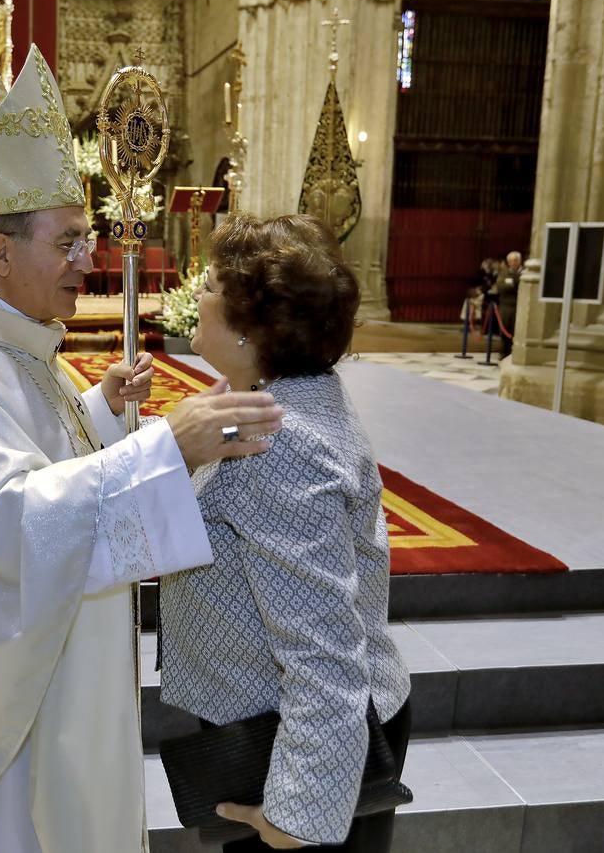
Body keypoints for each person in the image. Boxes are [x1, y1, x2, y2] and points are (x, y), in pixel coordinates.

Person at [0, 47, 284, 853]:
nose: (89, 260)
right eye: (70, 241)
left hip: (46, 682)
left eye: (88, 238)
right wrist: (164, 452)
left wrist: (100, 415)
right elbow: (7, 523)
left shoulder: (10, 340)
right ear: (2, 253)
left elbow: (30, 462)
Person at [159, 213, 412, 852]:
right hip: (274, 720)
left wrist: (298, 813)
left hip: (297, 741)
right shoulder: (265, 394)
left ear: (253, 327)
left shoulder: (278, 443)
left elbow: (323, 647)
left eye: (213, 285)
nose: (199, 294)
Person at [494, 249, 524, 357]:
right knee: (505, 329)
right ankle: (504, 351)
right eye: (510, 261)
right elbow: (501, 287)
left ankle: (515, 352)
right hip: (506, 306)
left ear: (520, 261)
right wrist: (513, 284)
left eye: (515, 260)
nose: (513, 263)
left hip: (519, 306)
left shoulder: (525, 272)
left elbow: (522, 287)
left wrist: (512, 283)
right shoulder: (504, 273)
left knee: (516, 329)